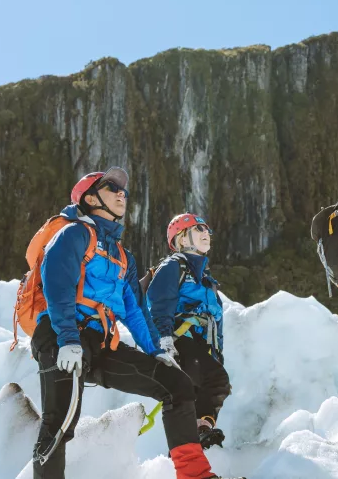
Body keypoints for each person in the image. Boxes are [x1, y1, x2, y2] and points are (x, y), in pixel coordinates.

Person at [31, 167, 225, 479]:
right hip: (59, 336)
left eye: (124, 190)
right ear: (91, 198)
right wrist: (67, 339)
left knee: (176, 385)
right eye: (112, 188)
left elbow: (135, 311)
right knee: (60, 422)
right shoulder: (73, 235)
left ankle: (194, 475)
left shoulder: (122, 256)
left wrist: (157, 349)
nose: (122, 193)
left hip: (98, 342)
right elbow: (57, 286)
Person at [147, 213, 231, 451]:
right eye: (198, 229)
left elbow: (216, 321)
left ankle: (201, 428)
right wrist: (164, 338)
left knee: (217, 383)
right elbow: (159, 302)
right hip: (179, 338)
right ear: (182, 240)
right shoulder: (173, 266)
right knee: (194, 382)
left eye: (207, 229)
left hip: (201, 343)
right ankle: (189, 434)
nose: (206, 233)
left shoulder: (205, 279)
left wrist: (217, 352)